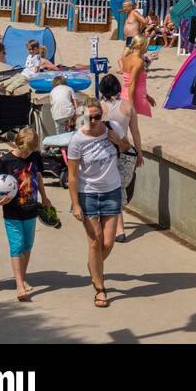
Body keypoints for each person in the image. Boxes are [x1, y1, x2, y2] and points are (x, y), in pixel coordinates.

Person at [66, 98, 131, 309]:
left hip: (111, 191)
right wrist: (75, 204)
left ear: (102, 115)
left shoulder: (114, 127)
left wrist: (117, 141)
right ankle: (100, 288)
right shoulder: (77, 140)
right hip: (88, 195)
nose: (93, 121)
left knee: (108, 243)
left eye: (97, 116)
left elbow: (126, 146)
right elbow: (73, 176)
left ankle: (94, 266)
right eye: (89, 117)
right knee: (95, 242)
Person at [0, 128, 52, 302]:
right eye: (25, 151)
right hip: (12, 210)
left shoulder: (34, 156)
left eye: (30, 152)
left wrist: (45, 197)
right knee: (17, 246)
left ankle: (22, 278)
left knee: (27, 245)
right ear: (17, 144)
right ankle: (19, 285)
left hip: (31, 208)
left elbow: (38, 177)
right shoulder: (6, 160)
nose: (27, 155)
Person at [98, 74, 141, 244]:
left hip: (105, 153)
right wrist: (139, 153)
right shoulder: (128, 107)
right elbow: (135, 132)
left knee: (108, 190)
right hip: (125, 150)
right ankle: (119, 229)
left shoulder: (99, 107)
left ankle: (117, 228)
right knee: (118, 189)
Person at [121, 35, 156, 118]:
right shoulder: (139, 61)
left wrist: (147, 96)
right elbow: (132, 83)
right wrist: (131, 105)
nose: (148, 47)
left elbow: (132, 80)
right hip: (136, 97)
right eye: (147, 45)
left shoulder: (127, 58)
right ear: (141, 46)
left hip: (124, 95)